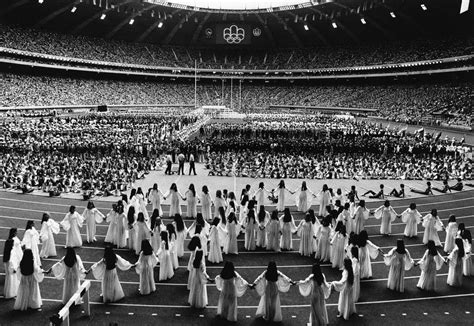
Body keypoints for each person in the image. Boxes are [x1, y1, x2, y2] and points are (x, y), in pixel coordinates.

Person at [3, 228, 23, 299]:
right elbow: (11, 259)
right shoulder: (12, 251)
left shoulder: (11, 243)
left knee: (10, 278)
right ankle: (11, 293)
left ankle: (11, 292)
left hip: (12, 263)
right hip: (12, 264)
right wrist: (13, 267)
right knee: (12, 278)